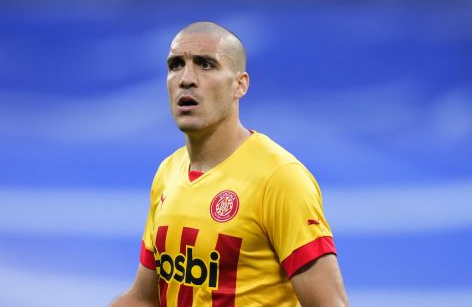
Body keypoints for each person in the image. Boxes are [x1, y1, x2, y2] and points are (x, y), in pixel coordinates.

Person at [111, 21, 348, 307]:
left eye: (205, 64)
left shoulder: (279, 178)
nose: (186, 78)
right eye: (176, 65)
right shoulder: (168, 173)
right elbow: (143, 299)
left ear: (240, 84)